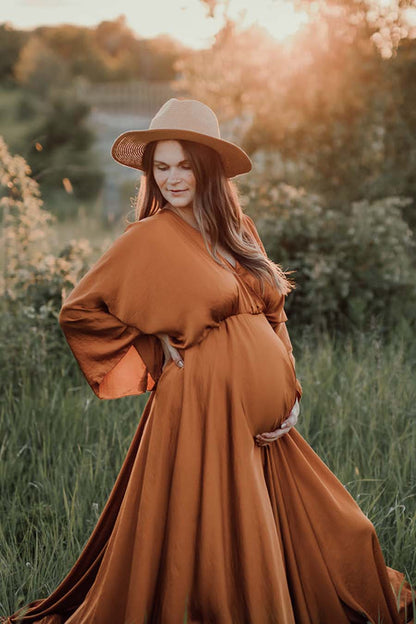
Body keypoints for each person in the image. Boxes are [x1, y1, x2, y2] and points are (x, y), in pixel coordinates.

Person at [3, 98, 414, 624]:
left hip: (268, 429)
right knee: (217, 546)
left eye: (185, 165)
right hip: (201, 409)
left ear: (209, 168)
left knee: (350, 534)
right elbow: (80, 310)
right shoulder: (150, 237)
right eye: (162, 167)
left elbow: (275, 314)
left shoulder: (239, 228)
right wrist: (154, 347)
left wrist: (291, 393)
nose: (173, 178)